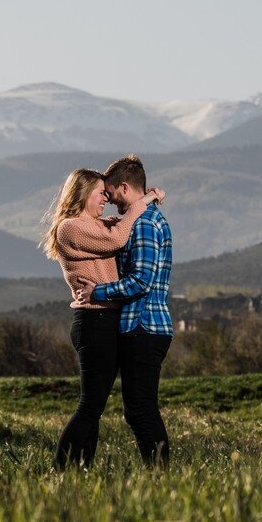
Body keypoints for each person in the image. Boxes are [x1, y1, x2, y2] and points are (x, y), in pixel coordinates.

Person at [42, 166, 163, 469]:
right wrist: (143, 202)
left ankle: (82, 467)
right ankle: (61, 467)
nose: (106, 200)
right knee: (90, 406)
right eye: (100, 193)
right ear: (82, 194)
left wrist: (143, 201)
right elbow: (118, 238)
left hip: (105, 322)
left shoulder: (94, 224)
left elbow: (117, 225)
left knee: (94, 407)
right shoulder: (70, 227)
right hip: (93, 322)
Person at [73, 154, 175, 466]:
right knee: (138, 409)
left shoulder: (143, 225)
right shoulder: (148, 218)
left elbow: (141, 281)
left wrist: (97, 290)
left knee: (141, 409)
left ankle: (161, 473)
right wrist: (148, 197)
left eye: (112, 192)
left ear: (125, 187)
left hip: (143, 326)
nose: (109, 198)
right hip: (148, 325)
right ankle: (158, 472)